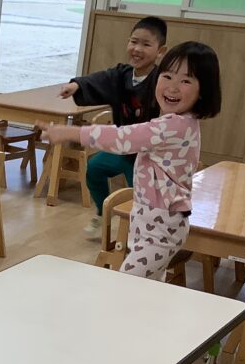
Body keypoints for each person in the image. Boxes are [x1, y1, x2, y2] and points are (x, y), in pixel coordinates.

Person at [40, 41, 222, 281]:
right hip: (150, 222)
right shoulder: (178, 122)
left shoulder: (176, 126)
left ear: (203, 91)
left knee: (125, 286)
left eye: (186, 81)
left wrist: (69, 133)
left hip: (160, 229)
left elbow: (122, 138)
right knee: (144, 288)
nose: (172, 87)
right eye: (167, 76)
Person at [60, 16, 168, 237]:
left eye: (146, 44)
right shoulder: (121, 74)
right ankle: (103, 212)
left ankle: (140, 232)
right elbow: (99, 79)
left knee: (140, 194)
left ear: (160, 51)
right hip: (122, 148)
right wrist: (76, 85)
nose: (137, 49)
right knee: (95, 168)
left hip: (146, 156)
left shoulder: (161, 80)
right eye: (133, 42)